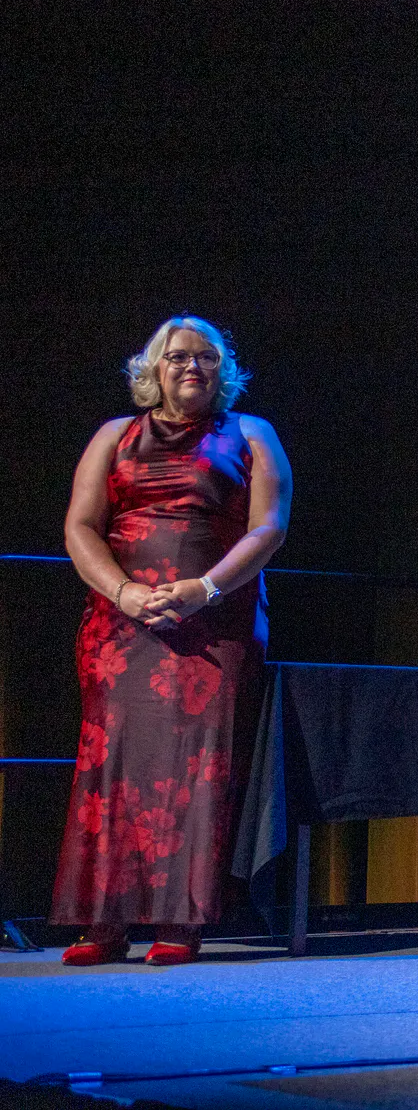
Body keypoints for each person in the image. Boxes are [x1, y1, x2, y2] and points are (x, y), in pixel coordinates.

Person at [54, 317, 293, 966]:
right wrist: (123, 592)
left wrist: (205, 589)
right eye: (178, 356)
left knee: (197, 765)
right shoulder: (115, 435)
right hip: (121, 626)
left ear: (223, 369)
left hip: (213, 622)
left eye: (207, 357)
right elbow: (80, 526)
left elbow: (268, 527)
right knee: (115, 762)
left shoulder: (251, 432)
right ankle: (103, 921)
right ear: (154, 368)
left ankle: (179, 918)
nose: (193, 366)